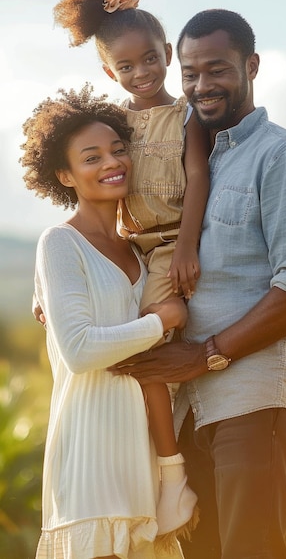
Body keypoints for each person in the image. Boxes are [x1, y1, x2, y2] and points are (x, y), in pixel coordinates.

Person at [112, 9, 286, 559]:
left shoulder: (281, 156)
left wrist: (205, 354)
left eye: (217, 70)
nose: (201, 86)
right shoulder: (189, 159)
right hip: (187, 410)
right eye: (189, 73)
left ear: (251, 65)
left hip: (250, 402)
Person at [50, 0, 209, 539]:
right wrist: (47, 289)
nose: (142, 73)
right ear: (110, 71)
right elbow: (111, 203)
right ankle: (168, 472)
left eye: (150, 59)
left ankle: (171, 474)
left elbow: (198, 180)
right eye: (126, 66)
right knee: (147, 363)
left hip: (172, 244)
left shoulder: (186, 116)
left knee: (148, 362)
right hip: (140, 247)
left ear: (168, 55)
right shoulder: (115, 127)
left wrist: (187, 244)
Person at [20, 84, 190, 559]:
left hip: (144, 467)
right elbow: (80, 351)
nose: (112, 163)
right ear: (65, 175)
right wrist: (161, 321)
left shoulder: (143, 250)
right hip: (90, 464)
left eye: (118, 151)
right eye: (91, 157)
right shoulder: (59, 243)